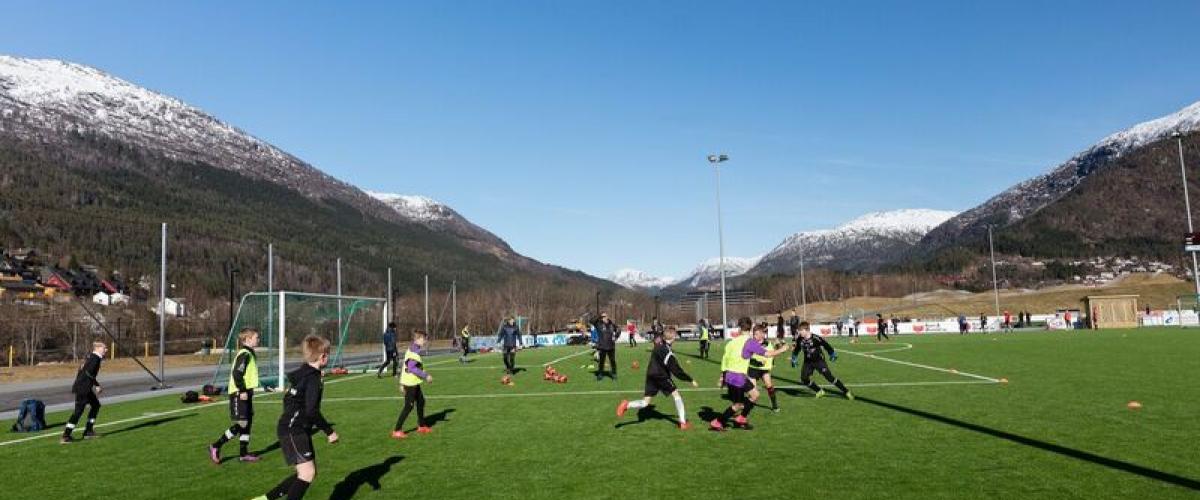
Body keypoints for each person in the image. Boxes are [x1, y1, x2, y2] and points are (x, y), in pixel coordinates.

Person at [255, 335, 338, 500]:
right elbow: (312, 410)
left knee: (306, 473)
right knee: (307, 473)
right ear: (322, 356)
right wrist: (329, 432)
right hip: (294, 430)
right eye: (328, 354)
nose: (328, 357)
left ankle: (265, 499)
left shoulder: (303, 373)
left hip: (294, 427)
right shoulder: (313, 377)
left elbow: (287, 399)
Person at [711, 320, 789, 431]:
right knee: (738, 405)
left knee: (755, 395)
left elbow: (725, 360)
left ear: (739, 329)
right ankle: (718, 422)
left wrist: (722, 376)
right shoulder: (750, 342)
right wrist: (782, 349)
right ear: (750, 328)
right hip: (738, 377)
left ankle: (741, 418)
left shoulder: (731, 342)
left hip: (731, 375)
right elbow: (767, 354)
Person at [616, 327, 699, 429]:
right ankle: (683, 423)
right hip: (661, 377)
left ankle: (627, 405)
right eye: (675, 336)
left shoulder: (659, 344)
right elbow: (677, 371)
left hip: (651, 375)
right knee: (676, 395)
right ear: (673, 338)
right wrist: (690, 380)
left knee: (645, 403)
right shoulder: (667, 352)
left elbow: (658, 339)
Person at [210, 328, 262, 463]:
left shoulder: (249, 353)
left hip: (246, 393)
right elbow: (237, 374)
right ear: (248, 339)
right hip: (239, 394)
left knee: (247, 423)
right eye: (256, 337)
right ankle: (216, 445)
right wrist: (243, 390)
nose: (258, 339)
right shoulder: (245, 354)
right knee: (242, 423)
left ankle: (243, 454)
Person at [792, 322, 854, 399]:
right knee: (804, 379)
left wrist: (832, 353)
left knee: (829, 378)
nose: (799, 332)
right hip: (807, 362)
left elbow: (826, 345)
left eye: (801, 330)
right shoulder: (799, 339)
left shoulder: (816, 338)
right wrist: (794, 358)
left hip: (819, 361)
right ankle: (819, 391)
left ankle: (846, 391)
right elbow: (797, 349)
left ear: (806, 330)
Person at [62, 341, 107, 444]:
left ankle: (88, 431)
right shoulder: (95, 358)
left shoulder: (90, 357)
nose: (106, 350)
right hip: (83, 388)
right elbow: (89, 372)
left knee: (95, 405)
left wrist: (94, 383)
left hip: (84, 387)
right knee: (78, 412)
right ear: (98, 348)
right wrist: (97, 385)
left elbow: (84, 371)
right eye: (104, 348)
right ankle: (66, 435)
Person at [392, 330, 434, 438]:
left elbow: (404, 367)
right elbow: (410, 368)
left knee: (421, 401)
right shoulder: (414, 351)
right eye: (424, 339)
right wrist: (426, 376)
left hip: (414, 382)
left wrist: (401, 383)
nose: (425, 341)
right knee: (408, 407)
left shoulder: (413, 349)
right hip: (410, 384)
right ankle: (397, 430)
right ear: (418, 339)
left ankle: (421, 426)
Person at [748, 323, 783, 412]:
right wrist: (756, 361)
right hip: (752, 368)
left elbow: (772, 354)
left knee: (769, 386)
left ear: (762, 334)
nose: (755, 336)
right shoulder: (751, 343)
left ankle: (775, 405)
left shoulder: (768, 343)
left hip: (764, 370)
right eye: (754, 334)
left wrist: (779, 347)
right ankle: (745, 409)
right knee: (753, 392)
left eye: (757, 333)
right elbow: (746, 357)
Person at [593, 313, 619, 381]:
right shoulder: (598, 324)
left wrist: (616, 336)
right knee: (601, 361)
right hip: (602, 346)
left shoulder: (612, 324)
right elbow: (591, 320)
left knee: (612, 361)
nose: (603, 318)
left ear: (607, 317)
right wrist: (599, 315)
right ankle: (600, 374)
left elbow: (619, 330)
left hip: (611, 346)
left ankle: (614, 374)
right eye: (602, 317)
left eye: (604, 316)